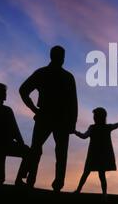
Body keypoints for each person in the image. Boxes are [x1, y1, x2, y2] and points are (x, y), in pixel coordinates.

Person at [19, 45, 78, 192]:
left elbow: (23, 90)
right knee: (57, 153)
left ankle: (34, 181)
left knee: (39, 150)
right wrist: (72, 123)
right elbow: (73, 102)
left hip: (48, 117)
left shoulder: (43, 73)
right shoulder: (65, 76)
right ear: (60, 58)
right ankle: (54, 184)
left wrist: (34, 109)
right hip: (56, 118)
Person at [0, 83, 30, 186]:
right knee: (0, 179)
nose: (5, 94)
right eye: (4, 92)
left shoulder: (5, 110)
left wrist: (21, 144)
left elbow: (15, 130)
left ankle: (19, 179)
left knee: (27, 152)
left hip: (6, 145)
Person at [73, 107, 118, 199]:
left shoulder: (96, 128)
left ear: (99, 117)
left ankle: (83, 191)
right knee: (96, 174)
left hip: (95, 155)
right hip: (97, 155)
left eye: (95, 116)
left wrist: (75, 132)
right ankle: (102, 194)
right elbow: (84, 136)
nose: (94, 118)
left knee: (90, 173)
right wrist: (75, 132)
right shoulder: (102, 127)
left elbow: (84, 136)